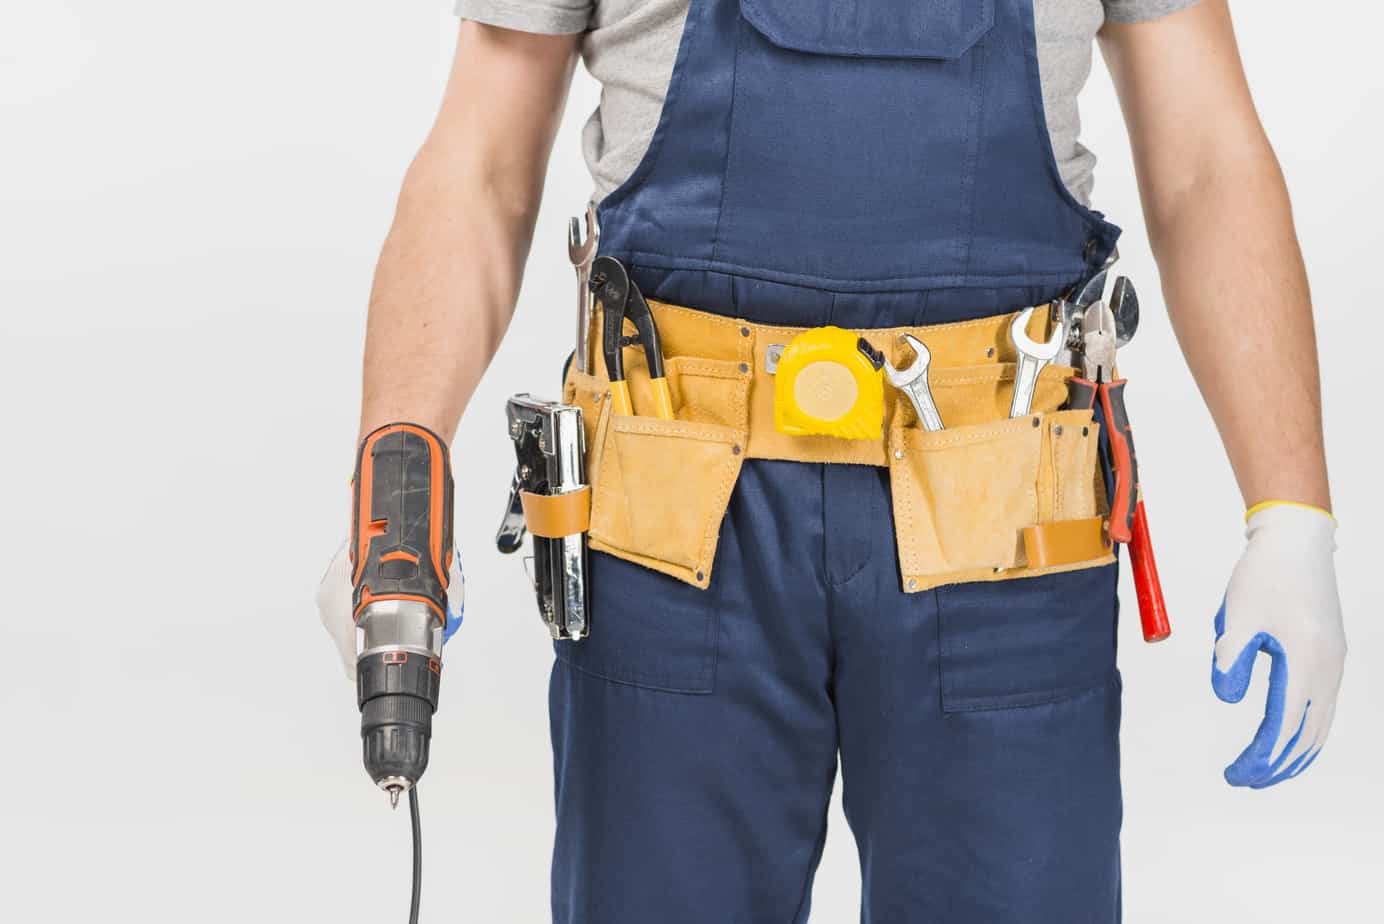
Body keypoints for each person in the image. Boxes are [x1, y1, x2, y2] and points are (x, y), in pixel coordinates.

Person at [321, 1, 1347, 920]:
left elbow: (1206, 163)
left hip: (1005, 517)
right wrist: (397, 465)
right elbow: (479, 167)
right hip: (673, 526)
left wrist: (1291, 515)